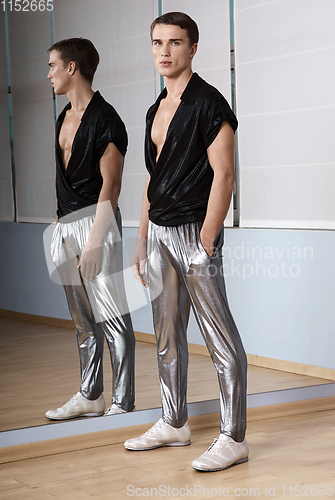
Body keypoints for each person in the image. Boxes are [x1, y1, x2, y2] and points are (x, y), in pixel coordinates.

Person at [124, 13, 248, 472]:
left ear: (192, 49)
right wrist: (140, 238)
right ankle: (173, 421)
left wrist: (208, 239)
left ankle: (233, 437)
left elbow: (226, 174)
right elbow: (152, 179)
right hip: (157, 232)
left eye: (175, 43)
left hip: (195, 232)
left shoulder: (209, 103)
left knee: (220, 337)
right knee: (166, 335)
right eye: (157, 42)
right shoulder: (155, 108)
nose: (164, 51)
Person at [45, 37, 135, 420]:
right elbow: (62, 179)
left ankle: (123, 401)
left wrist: (96, 241)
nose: (48, 74)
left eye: (52, 66)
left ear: (71, 68)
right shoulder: (61, 116)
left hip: (97, 225)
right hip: (65, 227)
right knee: (82, 320)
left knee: (112, 317)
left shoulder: (106, 119)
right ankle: (90, 393)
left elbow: (111, 187)